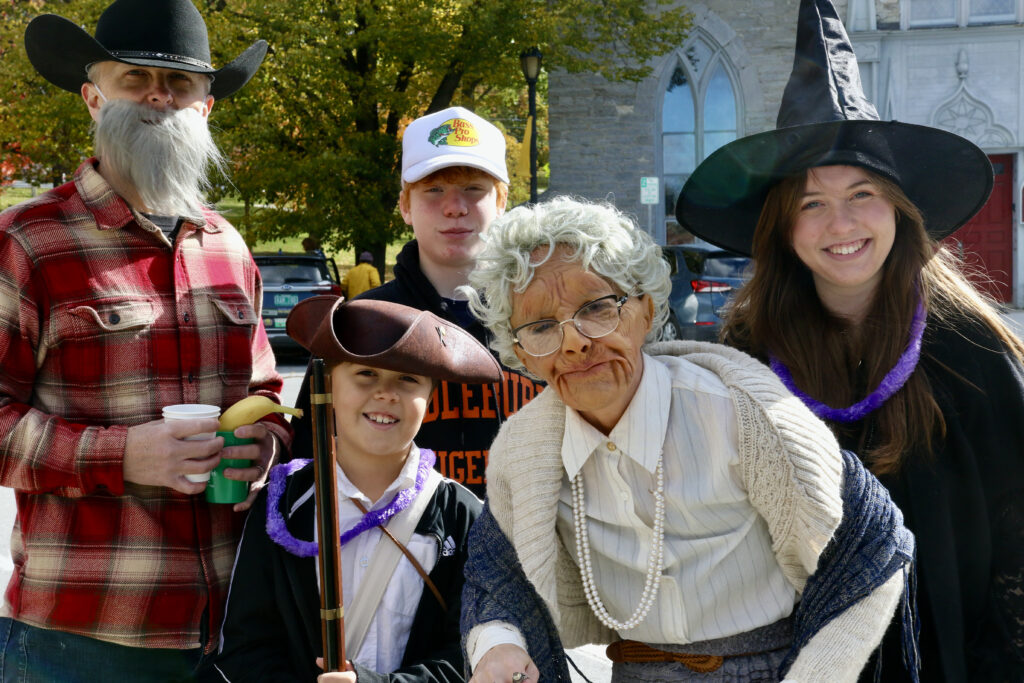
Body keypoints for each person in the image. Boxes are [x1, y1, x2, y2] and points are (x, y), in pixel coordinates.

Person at [675, 0, 1024, 680]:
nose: (841, 222)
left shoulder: (973, 353)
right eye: (811, 201)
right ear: (782, 225)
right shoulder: (746, 360)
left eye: (862, 192)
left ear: (898, 207)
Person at [460, 196, 916, 682]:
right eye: (541, 327)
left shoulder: (743, 415)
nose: (573, 342)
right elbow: (498, 569)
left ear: (645, 310)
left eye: (596, 308)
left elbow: (871, 547)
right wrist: (497, 643)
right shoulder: (525, 453)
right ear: (521, 354)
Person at [0, 0, 289, 678]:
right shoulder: (27, 241)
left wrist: (265, 448)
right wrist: (122, 453)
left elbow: (267, 392)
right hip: (77, 641)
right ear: (94, 97)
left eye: (181, 83)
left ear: (206, 107)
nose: (160, 96)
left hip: (230, 633)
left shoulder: (229, 247)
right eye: (136, 78)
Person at [214, 297, 501, 682]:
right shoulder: (280, 505)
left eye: (408, 378)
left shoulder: (461, 514)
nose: (386, 393)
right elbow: (246, 647)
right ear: (328, 385)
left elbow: (469, 651)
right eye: (366, 374)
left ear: (430, 396)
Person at [292, 107, 543, 499]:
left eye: (474, 188)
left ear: (502, 201)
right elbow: (309, 455)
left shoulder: (543, 319)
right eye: (434, 189)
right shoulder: (360, 326)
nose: (454, 206)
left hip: (524, 547)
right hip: (394, 546)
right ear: (405, 205)